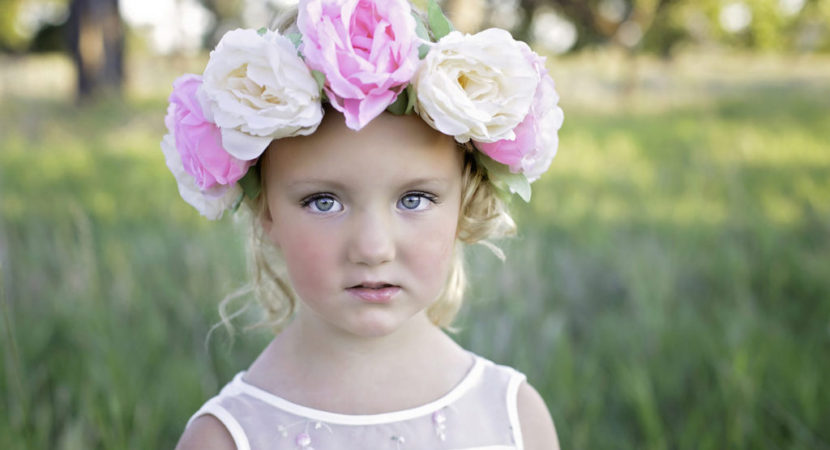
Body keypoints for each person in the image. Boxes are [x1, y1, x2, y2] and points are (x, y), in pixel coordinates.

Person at [162, 1, 563, 448]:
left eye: (414, 199)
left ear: (464, 202)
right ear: (266, 211)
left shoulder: (515, 419)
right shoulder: (224, 439)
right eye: (324, 202)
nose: (373, 248)